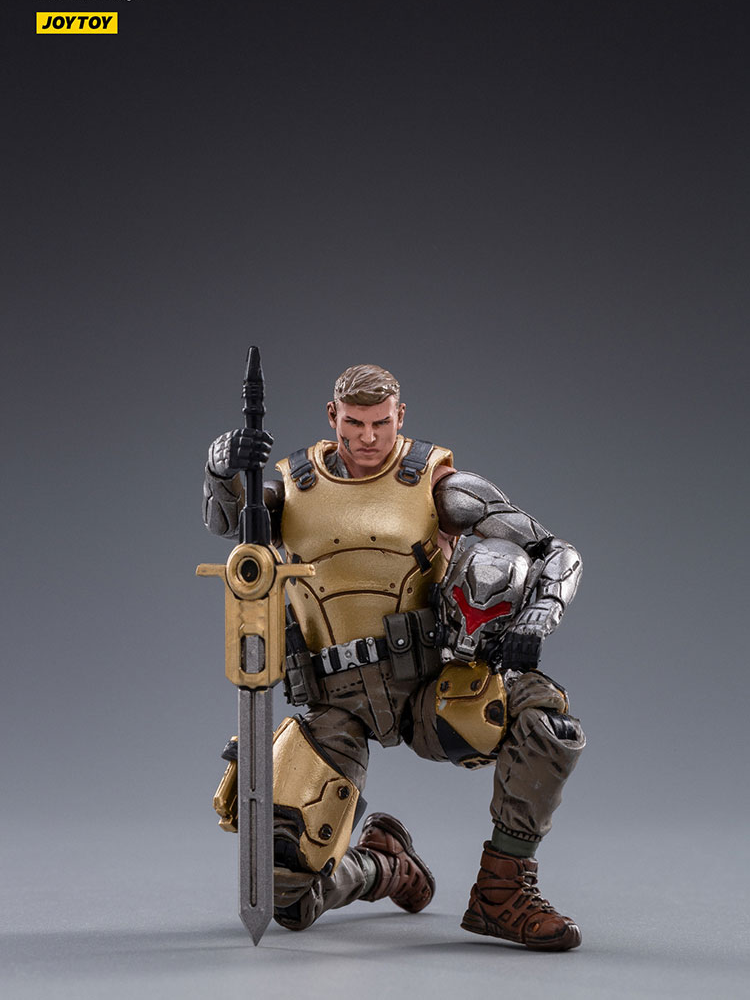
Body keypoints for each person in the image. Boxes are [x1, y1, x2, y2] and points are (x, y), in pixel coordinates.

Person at [203, 364, 585, 950]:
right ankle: (384, 864)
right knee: (285, 895)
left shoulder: (439, 487)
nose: (368, 437)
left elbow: (555, 552)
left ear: (399, 417)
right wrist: (221, 466)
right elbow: (228, 523)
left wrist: (536, 619)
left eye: (381, 423)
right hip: (336, 703)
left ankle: (501, 892)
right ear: (332, 417)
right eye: (354, 423)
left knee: (544, 719)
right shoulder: (287, 490)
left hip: (433, 690)